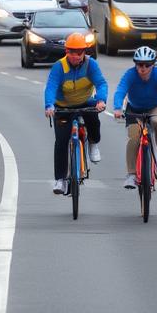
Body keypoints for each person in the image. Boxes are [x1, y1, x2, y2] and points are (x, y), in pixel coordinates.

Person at [42, 29, 108, 195]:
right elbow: (51, 87)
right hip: (63, 106)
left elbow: (101, 83)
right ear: (67, 52)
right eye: (72, 52)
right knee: (61, 141)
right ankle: (60, 180)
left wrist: (101, 100)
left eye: (79, 52)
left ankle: (93, 143)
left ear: (84, 52)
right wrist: (49, 105)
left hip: (85, 102)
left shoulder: (91, 64)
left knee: (93, 119)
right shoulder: (59, 67)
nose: (76, 56)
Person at [109, 45, 157, 189]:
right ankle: (131, 174)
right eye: (140, 64)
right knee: (134, 136)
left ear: (153, 65)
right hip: (135, 108)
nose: (143, 68)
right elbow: (120, 91)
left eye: (147, 65)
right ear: (135, 64)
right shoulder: (130, 75)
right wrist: (117, 108)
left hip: (156, 106)